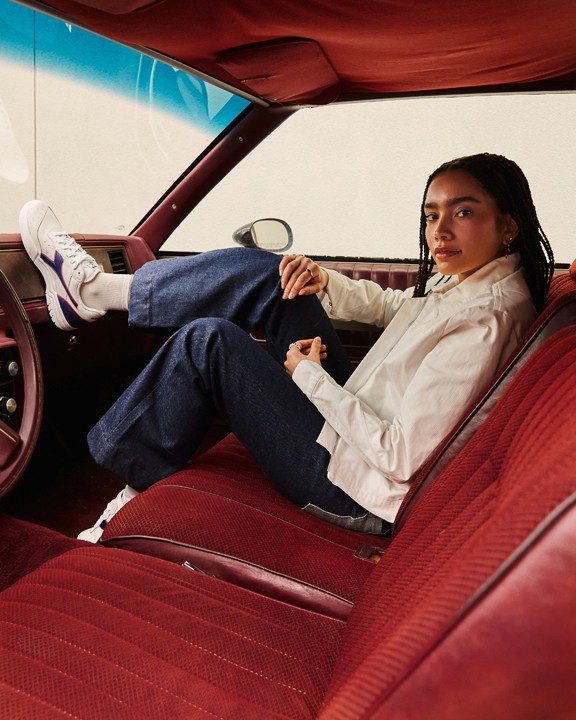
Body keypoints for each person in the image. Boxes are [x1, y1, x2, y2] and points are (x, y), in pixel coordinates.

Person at [19, 153, 554, 543]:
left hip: (357, 487)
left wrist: (309, 377)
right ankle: (96, 293)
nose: (440, 232)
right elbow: (401, 310)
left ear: (508, 225)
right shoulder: (470, 280)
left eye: (463, 213)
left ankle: (131, 483)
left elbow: (399, 456)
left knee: (209, 343)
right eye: (432, 215)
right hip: (356, 427)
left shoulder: (485, 321)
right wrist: (324, 281)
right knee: (280, 278)